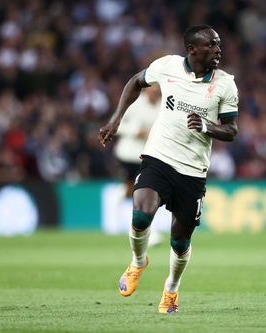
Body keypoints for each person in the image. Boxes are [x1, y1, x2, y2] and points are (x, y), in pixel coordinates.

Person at [98, 25, 238, 313]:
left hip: (193, 171)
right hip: (159, 157)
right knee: (141, 212)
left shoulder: (225, 84)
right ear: (192, 50)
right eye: (211, 45)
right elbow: (136, 82)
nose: (218, 50)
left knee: (180, 240)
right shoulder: (167, 66)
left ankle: (171, 288)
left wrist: (207, 125)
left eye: (219, 45)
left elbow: (232, 130)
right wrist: (116, 119)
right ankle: (138, 262)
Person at [113, 84, 165, 246]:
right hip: (129, 154)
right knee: (138, 191)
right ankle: (149, 232)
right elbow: (117, 124)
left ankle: (149, 231)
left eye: (158, 92)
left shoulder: (163, 105)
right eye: (153, 91)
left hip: (148, 155)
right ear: (146, 90)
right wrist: (136, 131)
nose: (155, 94)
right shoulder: (134, 104)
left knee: (144, 190)